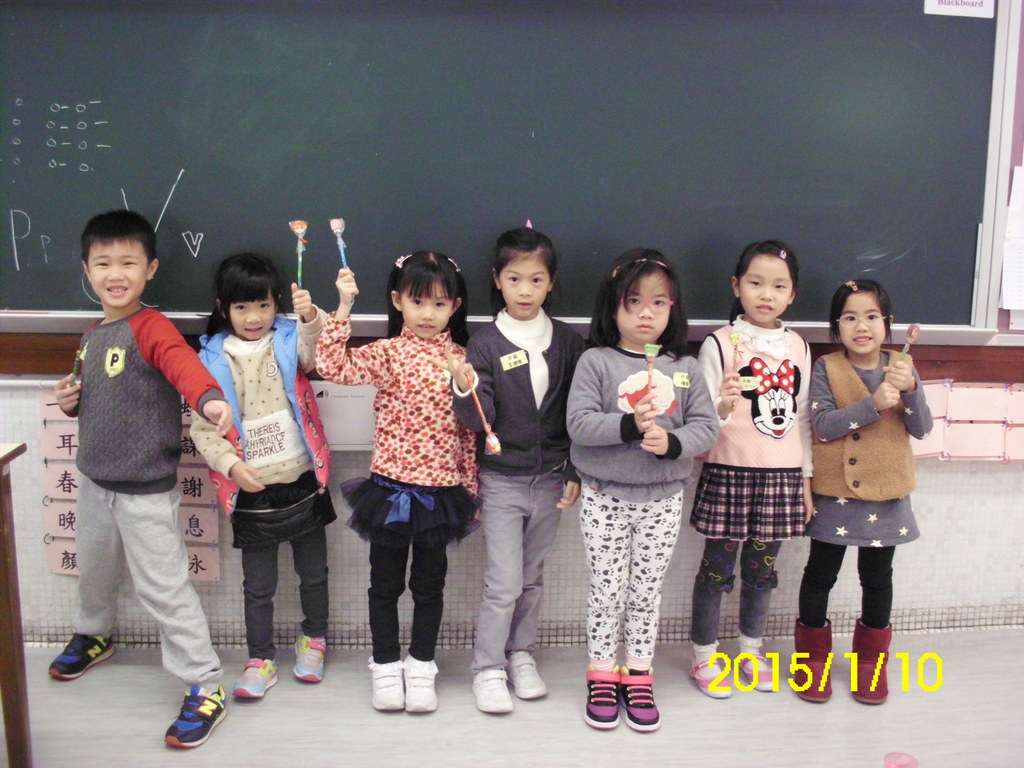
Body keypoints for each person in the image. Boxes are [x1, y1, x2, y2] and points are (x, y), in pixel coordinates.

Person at [49, 209, 233, 748]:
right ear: (86, 270)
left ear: (149, 269)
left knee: (164, 587)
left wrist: (209, 399)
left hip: (145, 491)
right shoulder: (91, 335)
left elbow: (183, 366)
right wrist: (68, 401)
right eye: (103, 263)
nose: (115, 273)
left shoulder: (153, 327)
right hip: (94, 483)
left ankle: (205, 683)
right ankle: (95, 635)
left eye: (128, 262)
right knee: (94, 569)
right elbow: (91, 397)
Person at [316, 251, 477, 714]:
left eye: (440, 304)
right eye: (418, 302)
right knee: (384, 585)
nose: (428, 314)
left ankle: (421, 665)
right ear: (397, 301)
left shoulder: (463, 360)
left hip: (441, 495)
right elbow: (331, 367)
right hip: (389, 492)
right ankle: (385, 664)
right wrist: (344, 306)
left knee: (429, 586)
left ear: (455, 307)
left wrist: (470, 488)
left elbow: (470, 432)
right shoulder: (387, 353)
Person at [566, 248, 718, 732]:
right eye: (633, 301)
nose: (646, 313)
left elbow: (706, 428)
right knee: (606, 591)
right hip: (604, 497)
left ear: (674, 308)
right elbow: (578, 424)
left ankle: (638, 673)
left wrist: (672, 443)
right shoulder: (595, 361)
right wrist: (630, 425)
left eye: (658, 302)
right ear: (613, 306)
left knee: (646, 592)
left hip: (663, 500)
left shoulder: (684, 366)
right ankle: (601, 672)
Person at [442, 225, 586, 714]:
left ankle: (520, 654)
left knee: (531, 578)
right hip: (502, 479)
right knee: (503, 582)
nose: (525, 290)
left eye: (536, 280)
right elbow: (475, 419)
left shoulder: (567, 342)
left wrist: (574, 470)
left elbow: (577, 415)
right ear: (497, 280)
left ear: (551, 282)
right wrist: (463, 388)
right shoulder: (484, 344)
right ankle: (488, 667)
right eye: (515, 279)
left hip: (551, 480)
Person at [191, 252, 336, 700]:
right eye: (241, 307)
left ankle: (314, 640)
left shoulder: (288, 340)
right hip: (250, 488)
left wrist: (309, 317)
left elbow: (316, 351)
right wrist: (231, 466)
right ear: (224, 307)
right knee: (258, 586)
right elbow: (203, 429)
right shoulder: (210, 358)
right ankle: (260, 658)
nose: (253, 317)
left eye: (264, 305)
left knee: (314, 573)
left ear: (277, 305)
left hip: (302, 478)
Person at [794, 279, 932, 705]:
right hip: (835, 492)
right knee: (820, 575)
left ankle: (870, 664)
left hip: (885, 494)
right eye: (849, 317)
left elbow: (922, 428)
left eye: (871, 316)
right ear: (836, 325)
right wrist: (873, 404)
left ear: (888, 322)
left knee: (877, 579)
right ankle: (811, 662)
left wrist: (910, 391)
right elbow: (822, 426)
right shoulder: (825, 367)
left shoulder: (902, 366)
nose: (861, 326)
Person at [688, 239, 813, 699]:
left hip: (781, 476)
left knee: (762, 571)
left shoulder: (798, 346)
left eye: (779, 286)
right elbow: (702, 420)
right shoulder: (720, 342)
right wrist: (722, 405)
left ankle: (751, 650)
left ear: (792, 294)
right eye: (756, 283)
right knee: (715, 571)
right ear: (736, 286)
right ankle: (704, 655)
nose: (766, 294)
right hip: (729, 471)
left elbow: (802, 418)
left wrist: (805, 482)